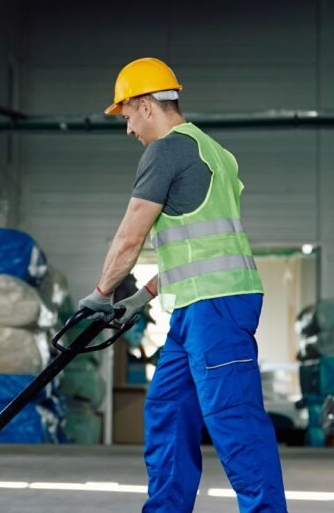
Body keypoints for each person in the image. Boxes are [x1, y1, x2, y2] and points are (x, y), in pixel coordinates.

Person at [77, 58, 287, 512]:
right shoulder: (216, 153)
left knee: (234, 420)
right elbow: (197, 245)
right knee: (168, 410)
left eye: (128, 114)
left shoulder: (167, 150)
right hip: (196, 305)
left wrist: (100, 293)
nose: (129, 128)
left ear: (148, 105)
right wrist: (140, 296)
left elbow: (132, 233)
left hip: (217, 307)